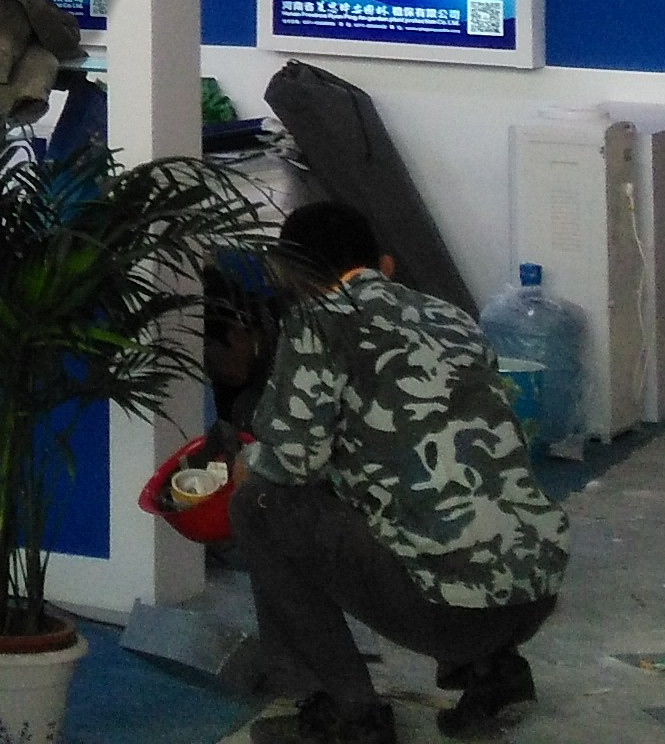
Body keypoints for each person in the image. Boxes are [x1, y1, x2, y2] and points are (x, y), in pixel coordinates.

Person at [229, 201, 562, 744]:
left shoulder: (319, 320)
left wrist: (247, 464)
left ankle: (347, 713)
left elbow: (292, 460)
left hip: (448, 610)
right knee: (440, 490)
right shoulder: (452, 317)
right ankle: (493, 671)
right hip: (534, 588)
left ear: (293, 274)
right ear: (382, 264)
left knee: (259, 503)